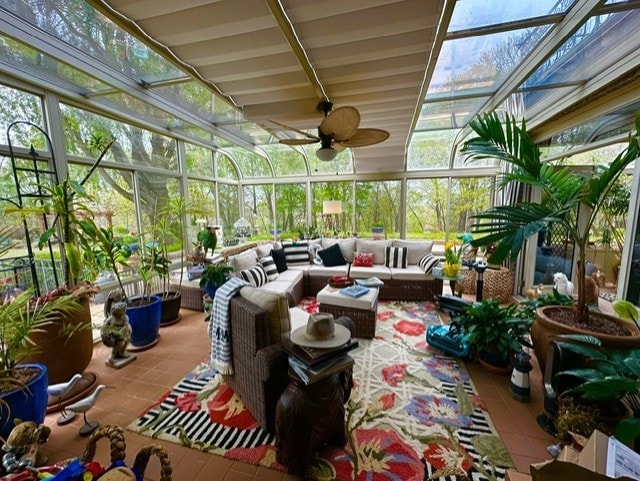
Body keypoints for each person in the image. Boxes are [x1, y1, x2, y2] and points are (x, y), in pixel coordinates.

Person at [101, 300, 136, 367]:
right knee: (121, 343)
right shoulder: (111, 318)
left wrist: (120, 332)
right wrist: (103, 333)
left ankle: (122, 352)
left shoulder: (125, 317)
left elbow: (126, 326)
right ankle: (112, 355)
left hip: (123, 333)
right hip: (113, 335)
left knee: (126, 341)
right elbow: (104, 326)